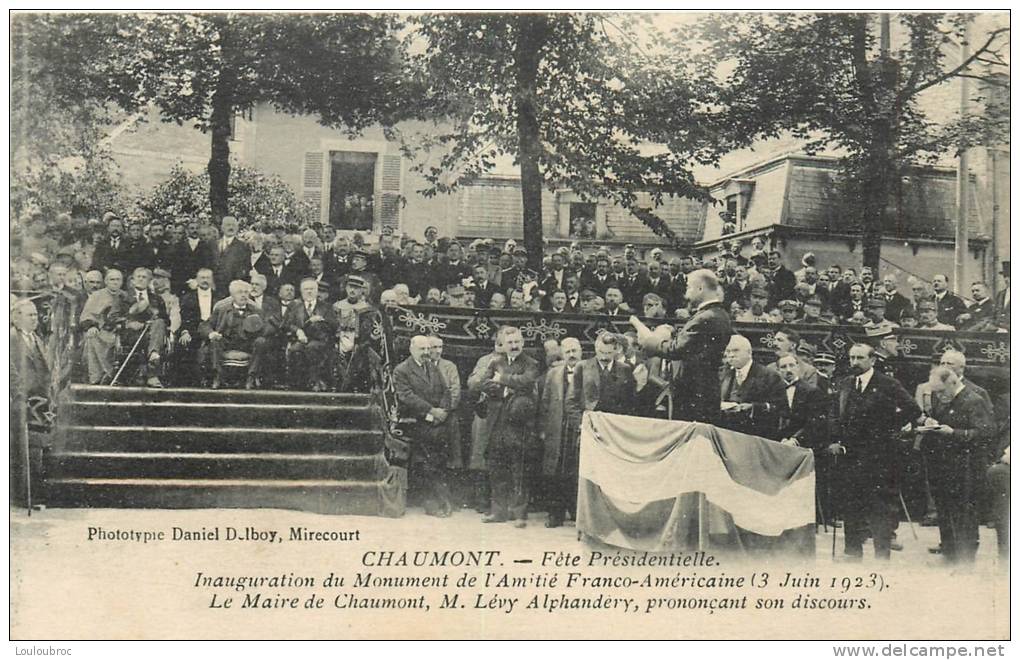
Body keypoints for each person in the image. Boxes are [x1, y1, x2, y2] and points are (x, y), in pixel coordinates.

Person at [828, 343, 920, 560]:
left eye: (860, 358)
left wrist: (887, 426)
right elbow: (835, 412)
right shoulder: (846, 383)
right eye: (852, 358)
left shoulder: (888, 384)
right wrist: (835, 438)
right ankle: (852, 552)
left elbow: (913, 409)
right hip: (850, 455)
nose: (855, 362)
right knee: (851, 504)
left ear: (872, 360)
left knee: (879, 507)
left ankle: (882, 555)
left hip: (880, 456)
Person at [634, 269, 732, 424]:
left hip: (695, 395)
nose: (686, 292)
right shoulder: (717, 314)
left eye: (688, 287)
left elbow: (676, 349)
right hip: (701, 392)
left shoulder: (706, 317)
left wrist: (649, 340)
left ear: (700, 288)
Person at [920, 366, 995, 563]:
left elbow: (985, 433)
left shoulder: (974, 400)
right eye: (935, 392)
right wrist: (930, 423)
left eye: (941, 391)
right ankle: (949, 552)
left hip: (966, 467)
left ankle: (965, 558)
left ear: (953, 382)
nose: (939, 396)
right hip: (943, 465)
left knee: (964, 512)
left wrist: (954, 433)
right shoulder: (944, 397)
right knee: (944, 509)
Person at [478, 326, 540, 528]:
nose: (513, 346)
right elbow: (483, 384)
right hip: (496, 423)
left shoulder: (531, 363)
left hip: (518, 424)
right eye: (509, 342)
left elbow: (527, 381)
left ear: (522, 343)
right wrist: (506, 390)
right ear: (502, 345)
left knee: (519, 469)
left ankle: (519, 514)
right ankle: (498, 512)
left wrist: (502, 379)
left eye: (517, 342)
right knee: (497, 467)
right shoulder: (495, 362)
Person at [392, 335, 454, 517]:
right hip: (416, 421)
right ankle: (435, 501)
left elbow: (446, 391)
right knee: (429, 461)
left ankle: (441, 499)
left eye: (428, 349)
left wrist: (442, 411)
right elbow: (406, 397)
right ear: (412, 349)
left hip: (437, 421)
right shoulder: (402, 370)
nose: (427, 353)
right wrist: (431, 411)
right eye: (422, 349)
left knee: (439, 459)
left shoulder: (432, 367)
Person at [539, 338, 583, 528]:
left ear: (581, 352)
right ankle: (554, 514)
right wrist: (543, 429)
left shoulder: (588, 371)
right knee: (555, 471)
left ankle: (576, 511)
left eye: (575, 351)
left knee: (576, 470)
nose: (572, 355)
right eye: (568, 352)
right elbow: (545, 402)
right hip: (557, 428)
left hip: (578, 428)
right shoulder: (553, 374)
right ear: (562, 354)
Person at [718, 334, 787, 439]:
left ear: (749, 352)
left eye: (736, 350)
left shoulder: (769, 376)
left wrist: (753, 408)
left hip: (756, 436)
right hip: (727, 436)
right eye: (728, 351)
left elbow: (781, 409)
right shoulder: (723, 374)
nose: (731, 355)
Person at [207, 280, 268, 390]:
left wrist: (258, 329)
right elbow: (205, 324)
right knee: (215, 341)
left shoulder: (256, 310)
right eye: (240, 292)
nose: (243, 295)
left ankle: (251, 377)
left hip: (247, 343)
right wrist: (211, 333)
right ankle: (217, 377)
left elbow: (265, 328)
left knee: (261, 342)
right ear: (232, 295)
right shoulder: (222, 309)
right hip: (227, 342)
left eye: (246, 292)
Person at [79, 269, 134, 385]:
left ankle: (113, 375)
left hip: (121, 332)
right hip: (102, 331)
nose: (115, 282)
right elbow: (86, 315)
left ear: (122, 282)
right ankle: (99, 376)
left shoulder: (126, 296)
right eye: (112, 279)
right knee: (93, 337)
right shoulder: (96, 295)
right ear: (106, 281)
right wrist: (91, 326)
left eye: (118, 280)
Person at [283, 278, 338, 391]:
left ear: (317, 291)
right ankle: (297, 383)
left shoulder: (326, 306)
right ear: (301, 292)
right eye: (306, 289)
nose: (309, 292)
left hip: (320, 340)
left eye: (312, 289)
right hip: (301, 339)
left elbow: (334, 325)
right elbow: (286, 324)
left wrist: (321, 320)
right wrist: (298, 331)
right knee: (295, 350)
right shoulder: (294, 305)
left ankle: (314, 381)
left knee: (312, 348)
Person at [428, 336, 464, 472]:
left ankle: (453, 465)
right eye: (434, 347)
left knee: (452, 424)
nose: (438, 351)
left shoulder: (449, 366)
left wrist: (444, 412)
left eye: (440, 347)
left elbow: (455, 391)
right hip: (428, 411)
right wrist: (431, 412)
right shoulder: (422, 366)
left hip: (447, 412)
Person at [177, 268, 217, 386]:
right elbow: (184, 319)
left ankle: (212, 379)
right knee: (184, 345)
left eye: (208, 278)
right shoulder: (187, 298)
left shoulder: (220, 298)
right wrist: (185, 332)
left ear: (212, 280)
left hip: (213, 330)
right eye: (202, 278)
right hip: (194, 331)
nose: (205, 280)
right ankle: (190, 382)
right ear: (197, 280)